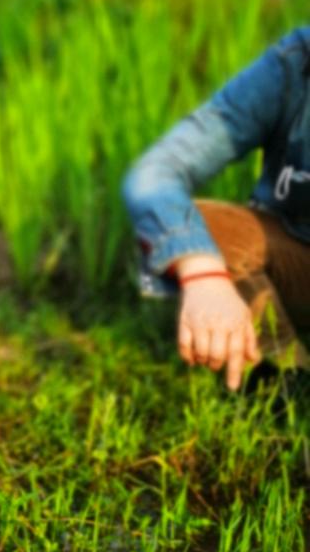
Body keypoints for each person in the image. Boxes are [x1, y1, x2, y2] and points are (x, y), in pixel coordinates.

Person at [123, 26, 310, 390]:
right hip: (298, 257)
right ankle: (286, 377)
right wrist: (203, 274)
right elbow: (156, 172)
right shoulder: (291, 68)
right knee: (200, 227)